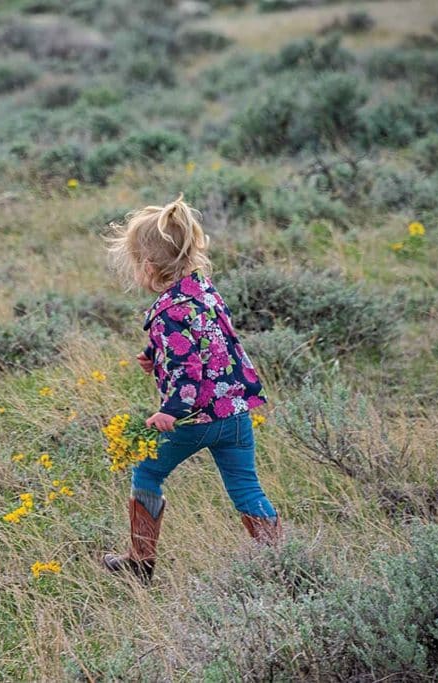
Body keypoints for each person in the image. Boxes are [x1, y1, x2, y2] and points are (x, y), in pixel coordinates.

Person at [102, 194, 280, 583]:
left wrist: (170, 412)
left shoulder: (168, 312)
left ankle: (139, 560)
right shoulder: (203, 290)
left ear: (148, 266)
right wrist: (154, 351)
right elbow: (209, 337)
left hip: (197, 417)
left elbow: (187, 370)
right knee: (247, 488)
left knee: (147, 471)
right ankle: (280, 563)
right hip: (235, 413)